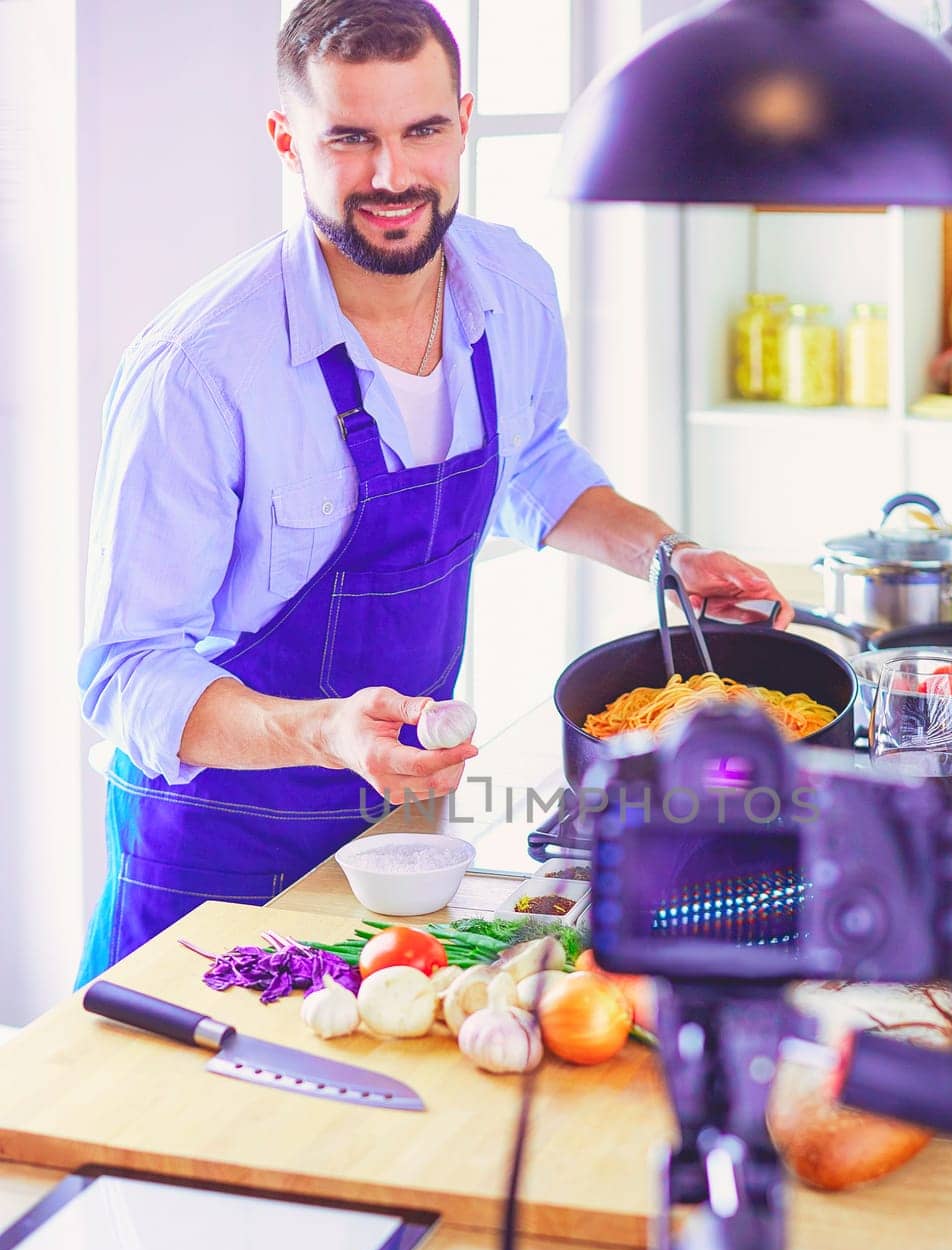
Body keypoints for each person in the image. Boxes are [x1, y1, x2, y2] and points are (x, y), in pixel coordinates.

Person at [75, 0, 794, 986]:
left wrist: (665, 556)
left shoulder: (510, 287)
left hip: (399, 827)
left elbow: (532, 465)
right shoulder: (199, 370)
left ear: (463, 121)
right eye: (349, 138)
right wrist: (321, 732)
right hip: (215, 848)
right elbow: (125, 670)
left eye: (420, 131)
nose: (391, 175)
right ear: (288, 142)